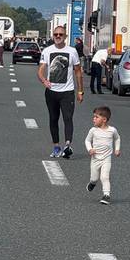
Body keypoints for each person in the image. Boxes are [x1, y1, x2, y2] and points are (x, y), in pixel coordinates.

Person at [37, 25, 84, 159]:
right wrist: (43, 80)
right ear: (53, 35)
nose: (58, 36)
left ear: (65, 36)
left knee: (68, 118)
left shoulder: (72, 51)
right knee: (53, 119)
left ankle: (68, 145)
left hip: (67, 91)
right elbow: (41, 69)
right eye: (56, 34)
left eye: (61, 35)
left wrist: (80, 91)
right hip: (51, 92)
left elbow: (78, 71)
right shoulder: (47, 51)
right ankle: (56, 146)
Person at [85, 106, 121, 205]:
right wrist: (90, 149)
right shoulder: (93, 130)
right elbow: (87, 140)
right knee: (94, 178)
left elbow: (117, 138)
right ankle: (92, 183)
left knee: (105, 177)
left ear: (104, 119)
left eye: (96, 117)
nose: (94, 119)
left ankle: (106, 195)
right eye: (94, 117)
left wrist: (117, 149)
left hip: (106, 158)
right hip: (95, 158)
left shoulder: (112, 130)